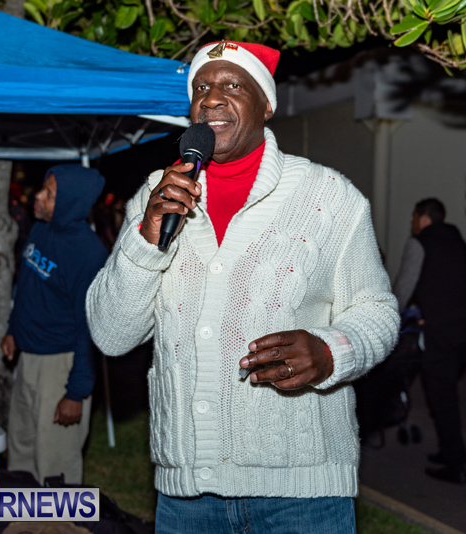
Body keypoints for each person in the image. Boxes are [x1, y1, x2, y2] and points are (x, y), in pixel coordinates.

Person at [85, 41, 399, 533]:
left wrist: (332, 351)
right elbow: (110, 334)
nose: (211, 99)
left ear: (267, 105)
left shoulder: (328, 196)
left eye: (233, 85)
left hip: (302, 497)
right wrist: (147, 239)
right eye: (202, 88)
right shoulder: (155, 194)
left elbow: (377, 310)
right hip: (186, 497)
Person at [1, 164, 107, 484]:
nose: (38, 196)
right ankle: (21, 527)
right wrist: (12, 330)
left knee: (54, 461)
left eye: (49, 194)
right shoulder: (40, 230)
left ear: (70, 203)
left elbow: (90, 329)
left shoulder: (88, 255)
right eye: (43, 188)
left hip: (60, 366)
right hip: (28, 359)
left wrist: (76, 392)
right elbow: (27, 288)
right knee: (20, 449)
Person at [393, 198, 466, 484]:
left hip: (441, 332)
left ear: (424, 218)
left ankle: (456, 465)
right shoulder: (457, 242)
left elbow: (404, 288)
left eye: (414, 217)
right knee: (446, 392)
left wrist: (387, 317)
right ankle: (447, 451)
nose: (411, 223)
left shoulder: (420, 243)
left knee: (442, 399)